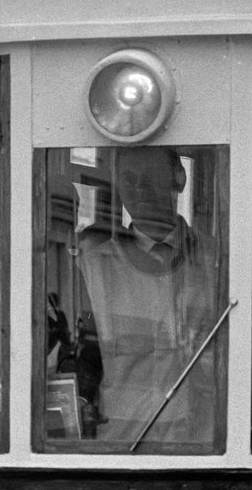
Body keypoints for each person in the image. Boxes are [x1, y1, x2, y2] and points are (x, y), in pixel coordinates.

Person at [71, 146, 225, 449]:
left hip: (206, 450)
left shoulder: (218, 261)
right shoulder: (94, 268)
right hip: (126, 451)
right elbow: (80, 359)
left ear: (179, 178)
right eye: (129, 179)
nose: (140, 189)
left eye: (152, 177)